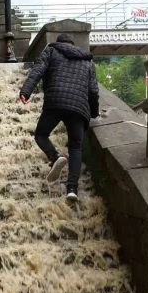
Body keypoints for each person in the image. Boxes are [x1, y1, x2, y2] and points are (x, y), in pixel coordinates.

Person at [19, 33, 99, 201]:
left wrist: (26, 91)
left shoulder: (51, 51)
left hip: (55, 101)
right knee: (76, 147)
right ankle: (72, 189)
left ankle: (55, 156)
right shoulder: (87, 60)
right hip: (79, 107)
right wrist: (93, 112)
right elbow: (93, 91)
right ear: (73, 44)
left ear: (59, 43)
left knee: (41, 134)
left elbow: (38, 70)